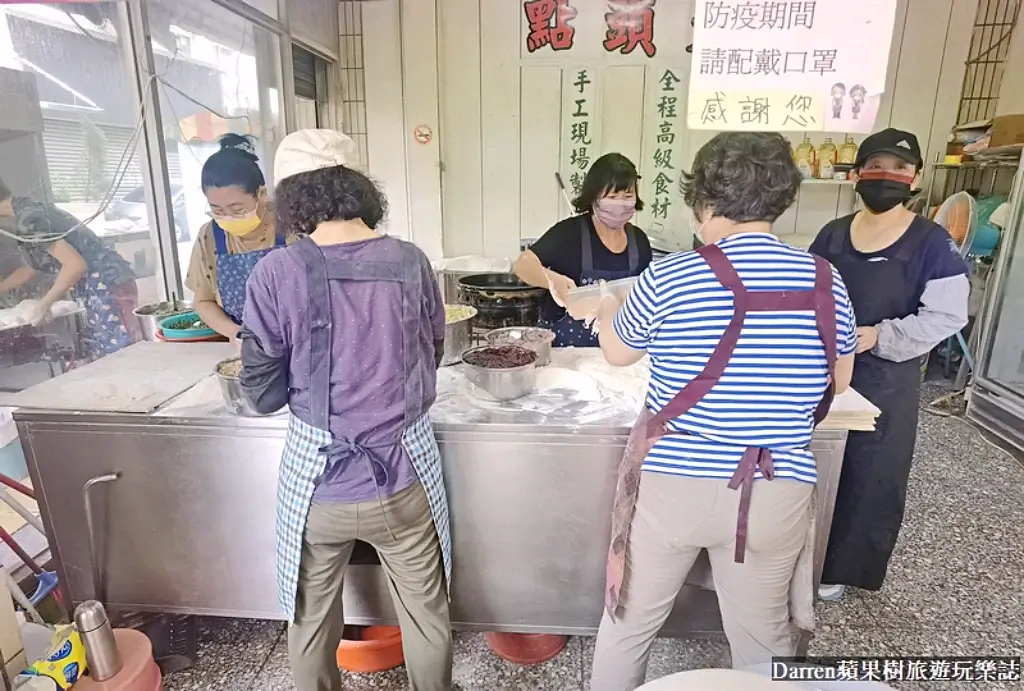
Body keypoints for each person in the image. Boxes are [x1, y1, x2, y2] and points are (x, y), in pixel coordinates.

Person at [586, 132, 858, 689]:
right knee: (763, 640)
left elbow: (617, 352)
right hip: (774, 487)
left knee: (629, 625)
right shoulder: (826, 281)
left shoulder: (670, 276)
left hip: (674, 484)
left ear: (703, 201)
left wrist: (610, 309)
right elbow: (840, 379)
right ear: (782, 200)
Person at [237, 129, 453, 691]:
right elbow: (434, 351)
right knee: (426, 616)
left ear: (292, 199)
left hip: (319, 488)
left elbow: (261, 394)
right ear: (359, 189)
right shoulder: (410, 261)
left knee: (310, 620)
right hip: (403, 479)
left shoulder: (276, 273)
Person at [810, 128, 970, 601]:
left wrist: (882, 336)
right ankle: (802, 552)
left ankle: (842, 568)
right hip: (822, 373)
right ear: (856, 174)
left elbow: (946, 313)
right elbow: (806, 294)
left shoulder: (931, 242)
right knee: (815, 463)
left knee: (871, 472)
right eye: (877, 165)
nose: (888, 176)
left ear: (915, 176)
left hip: (887, 380)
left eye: (900, 168)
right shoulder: (833, 234)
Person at [513, 153, 652, 347]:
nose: (620, 203)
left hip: (620, 355)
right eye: (612, 196)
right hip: (566, 357)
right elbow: (523, 265)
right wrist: (552, 280)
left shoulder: (640, 241)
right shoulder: (568, 233)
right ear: (594, 196)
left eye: (627, 196)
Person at [0, 178, 141, 358]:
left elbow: (75, 265)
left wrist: (44, 304)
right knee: (106, 354)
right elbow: (30, 268)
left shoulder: (29, 220)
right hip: (97, 286)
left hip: (106, 284)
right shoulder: (24, 211)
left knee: (121, 354)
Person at [185, 134, 292, 340]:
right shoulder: (210, 237)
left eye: (237, 208)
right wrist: (236, 334)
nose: (228, 217)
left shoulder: (292, 226)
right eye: (217, 209)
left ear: (261, 193)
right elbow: (203, 301)